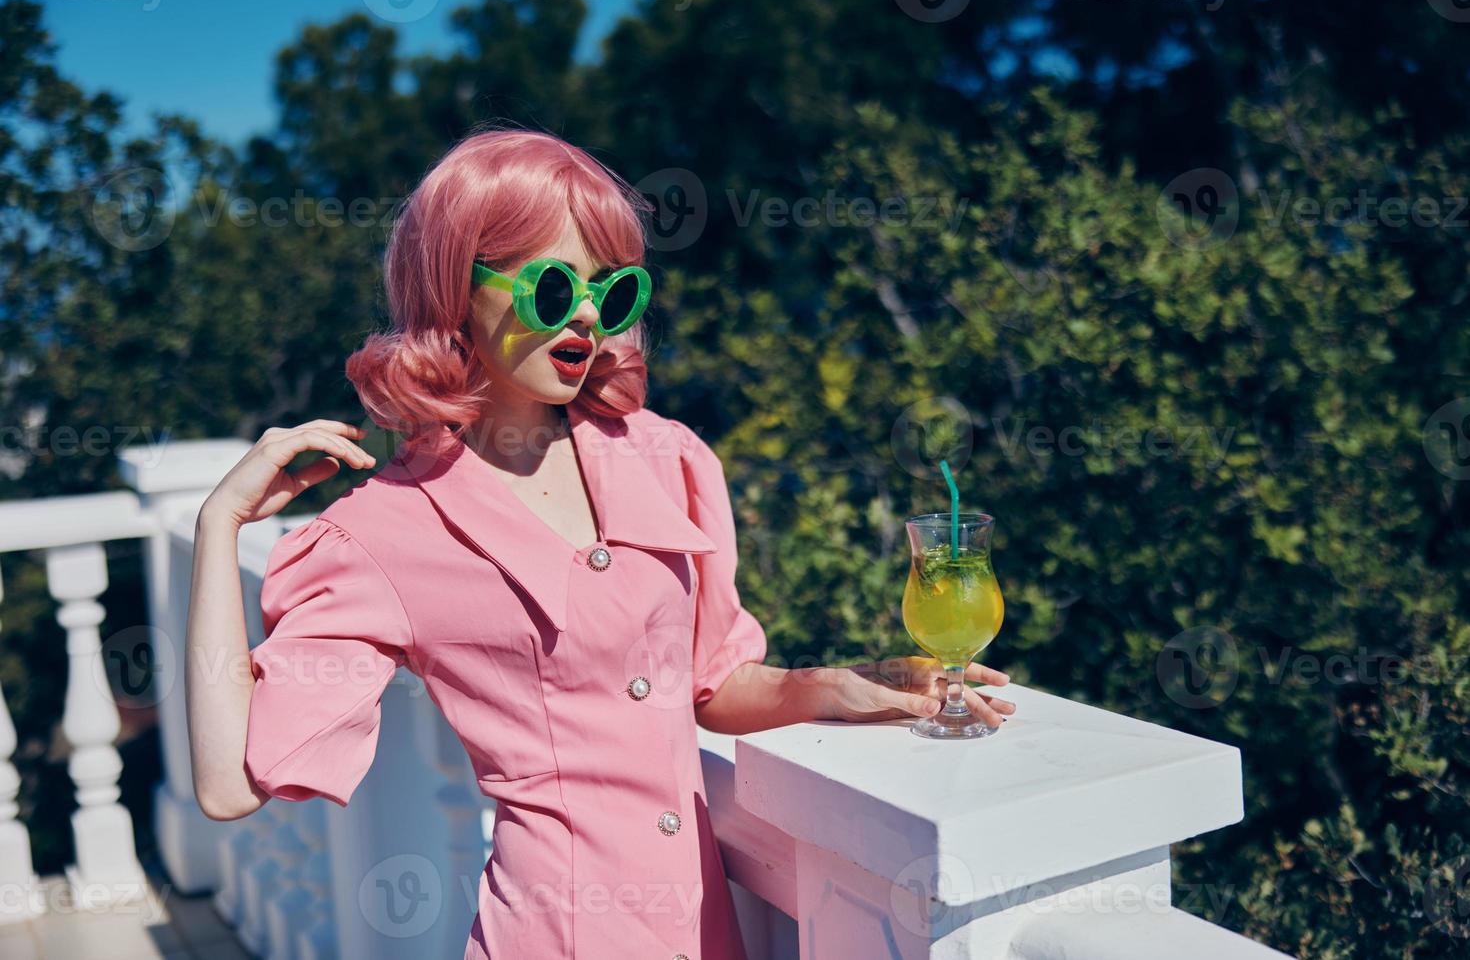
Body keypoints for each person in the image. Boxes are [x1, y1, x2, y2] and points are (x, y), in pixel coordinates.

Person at [183, 128, 1015, 959]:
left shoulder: (666, 458)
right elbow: (228, 785)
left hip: (703, 932)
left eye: (609, 294)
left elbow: (711, 685)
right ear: (454, 291)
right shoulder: (381, 532)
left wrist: (840, 685)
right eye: (552, 287)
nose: (585, 315)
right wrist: (218, 528)